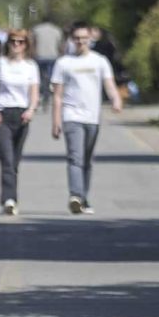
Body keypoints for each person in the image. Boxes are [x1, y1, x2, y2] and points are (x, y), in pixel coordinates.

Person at [51, 21, 121, 214]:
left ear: (91, 38)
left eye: (84, 38)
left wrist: (116, 99)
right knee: (75, 157)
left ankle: (84, 198)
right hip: (71, 115)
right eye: (77, 38)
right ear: (71, 40)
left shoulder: (99, 61)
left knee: (87, 160)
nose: (80, 41)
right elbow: (57, 95)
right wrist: (56, 121)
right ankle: (76, 195)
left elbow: (109, 84)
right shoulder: (63, 63)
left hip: (92, 117)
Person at [0, 30, 40, 216]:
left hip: (22, 115)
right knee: (7, 159)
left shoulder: (30, 66)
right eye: (13, 41)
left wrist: (31, 109)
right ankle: (10, 199)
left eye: (21, 42)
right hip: (2, 114)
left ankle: (9, 197)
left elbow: (34, 91)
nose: (16, 45)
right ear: (7, 43)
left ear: (26, 44)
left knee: (15, 161)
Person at [30, 16, 63, 109]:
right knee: (50, 76)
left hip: (40, 56)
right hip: (53, 56)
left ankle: (40, 93)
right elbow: (60, 44)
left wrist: (32, 54)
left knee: (39, 76)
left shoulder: (36, 29)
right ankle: (48, 92)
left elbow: (33, 43)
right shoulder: (57, 30)